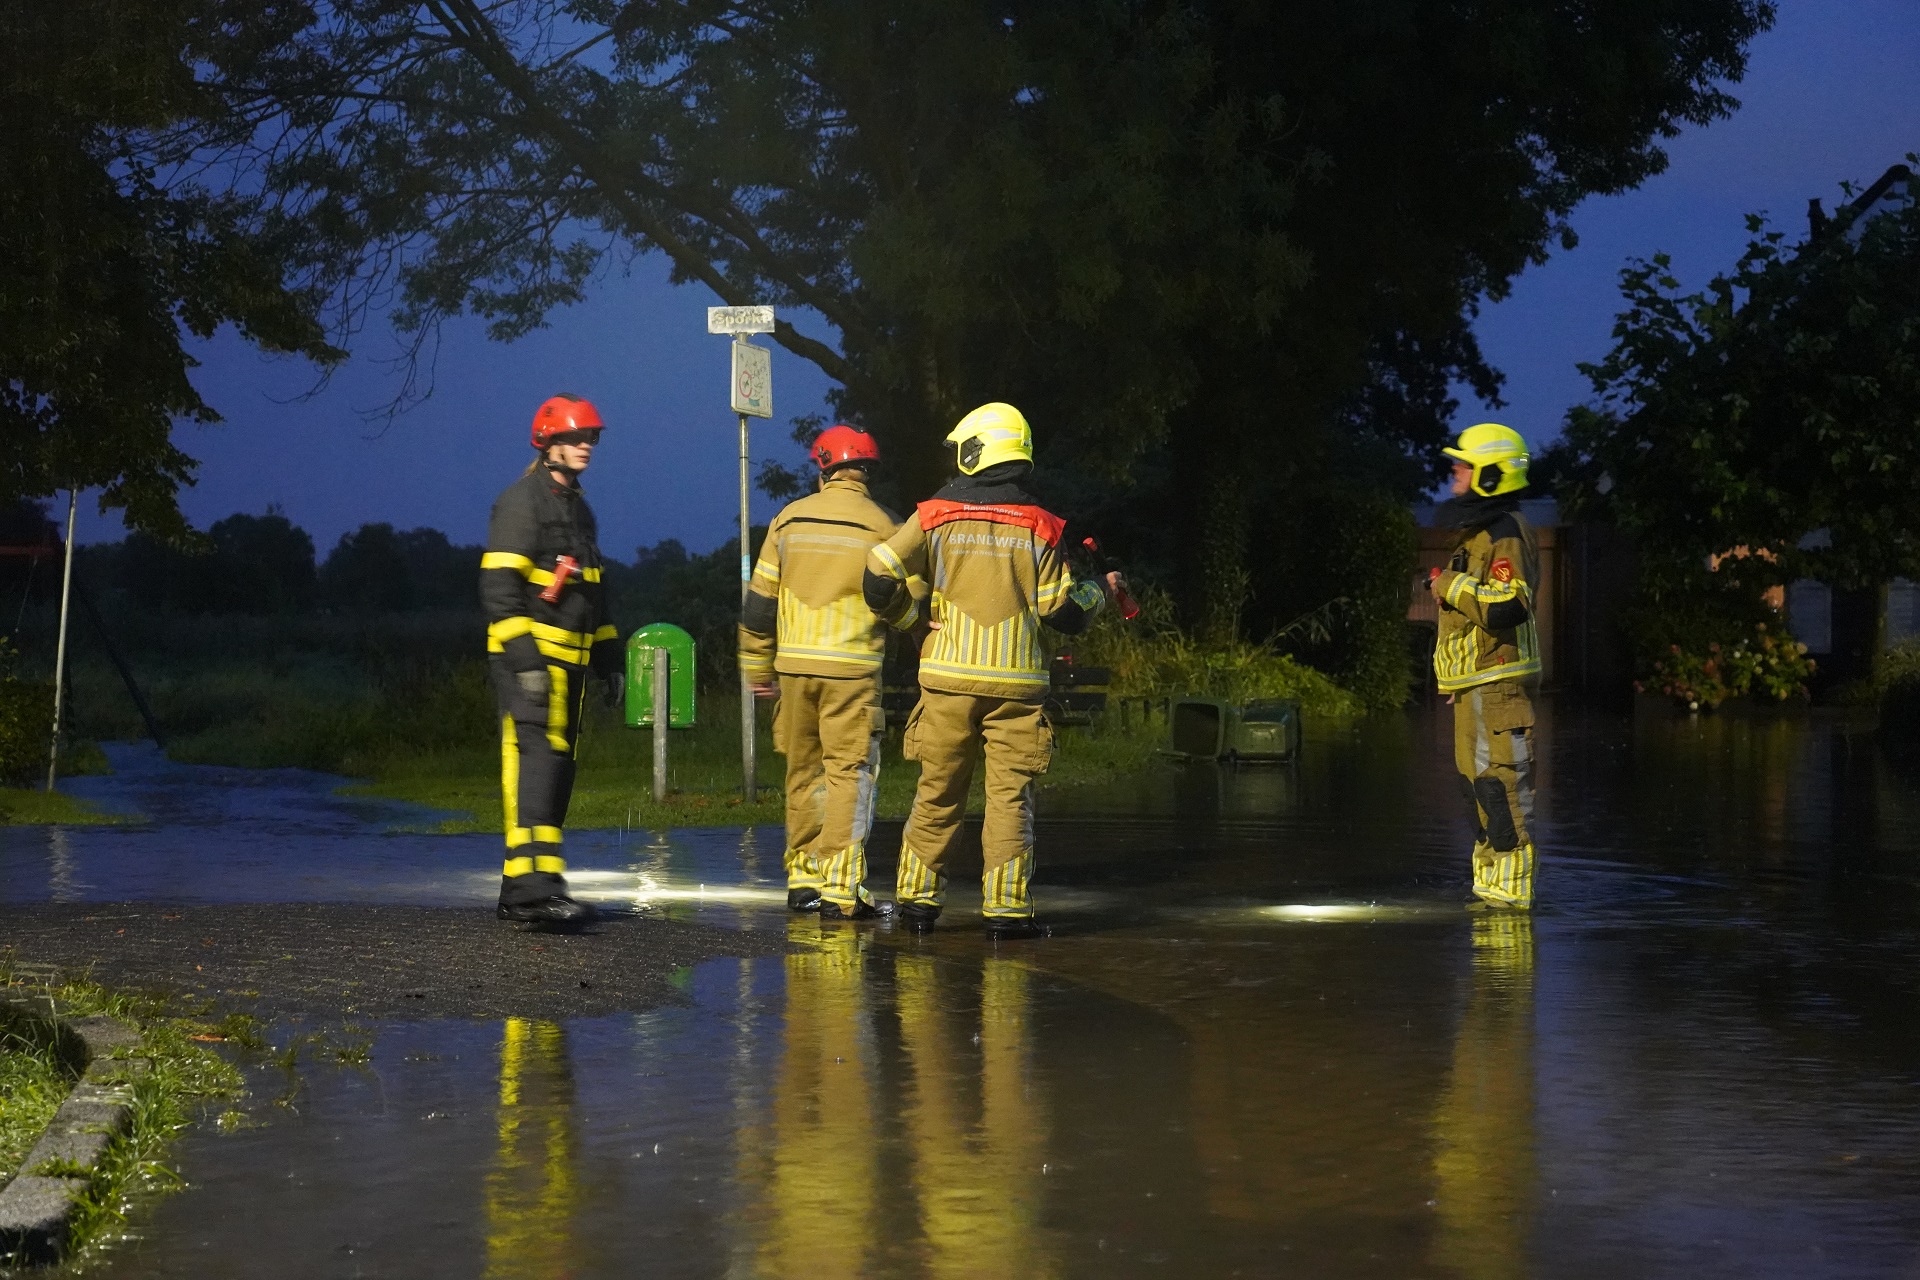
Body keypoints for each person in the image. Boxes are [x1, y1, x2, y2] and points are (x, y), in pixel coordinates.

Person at [863, 402, 1120, 939]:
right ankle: (1006, 912)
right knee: (1009, 801)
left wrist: (913, 625)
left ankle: (917, 904)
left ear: (975, 450)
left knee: (938, 792)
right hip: (1016, 688)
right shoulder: (1042, 525)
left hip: (947, 682)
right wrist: (1101, 591)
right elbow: (1063, 613)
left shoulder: (933, 514)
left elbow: (877, 576)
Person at [738, 425, 919, 919]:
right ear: (866, 473)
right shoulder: (886, 525)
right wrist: (914, 626)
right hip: (852, 671)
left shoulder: (787, 520)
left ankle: (802, 880)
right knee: (848, 774)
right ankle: (841, 886)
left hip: (794, 670)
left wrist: (757, 665)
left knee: (802, 772)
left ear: (822, 468)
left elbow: (758, 605)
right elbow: (908, 599)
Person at [481, 394, 623, 926]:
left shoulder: (578, 509)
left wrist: (609, 659)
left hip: (572, 667)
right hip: (534, 664)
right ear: (548, 443)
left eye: (591, 437)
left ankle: (525, 887)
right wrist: (526, 662)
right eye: (575, 437)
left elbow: (595, 592)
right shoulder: (522, 503)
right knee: (536, 769)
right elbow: (498, 589)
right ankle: (533, 893)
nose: (586, 446)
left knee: (556, 772)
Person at [1429, 422, 1541, 909]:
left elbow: (1508, 606)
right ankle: (1491, 897)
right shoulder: (1478, 534)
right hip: (1476, 686)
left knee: (1500, 791)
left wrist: (1448, 586)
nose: (1455, 471)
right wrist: (1457, 680)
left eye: (1464, 465)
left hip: (1498, 689)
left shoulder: (1505, 534)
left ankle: (1510, 905)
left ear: (1491, 475)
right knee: (1475, 792)